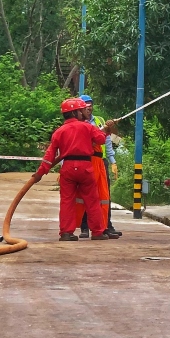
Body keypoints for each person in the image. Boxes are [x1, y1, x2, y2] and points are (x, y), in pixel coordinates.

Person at [33, 98, 111, 241]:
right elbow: (100, 140)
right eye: (81, 110)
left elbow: (50, 155)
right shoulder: (87, 127)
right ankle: (98, 232)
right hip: (85, 168)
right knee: (92, 200)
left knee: (67, 201)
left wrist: (40, 173)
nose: (83, 113)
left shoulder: (59, 132)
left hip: (68, 168)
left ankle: (66, 233)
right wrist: (106, 130)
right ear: (75, 112)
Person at [78, 95, 121, 239]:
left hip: (101, 162)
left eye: (90, 105)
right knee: (85, 195)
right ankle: (85, 227)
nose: (88, 108)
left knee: (104, 195)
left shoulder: (99, 121)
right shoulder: (78, 123)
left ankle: (106, 225)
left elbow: (107, 141)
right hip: (85, 161)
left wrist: (112, 160)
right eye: (85, 105)